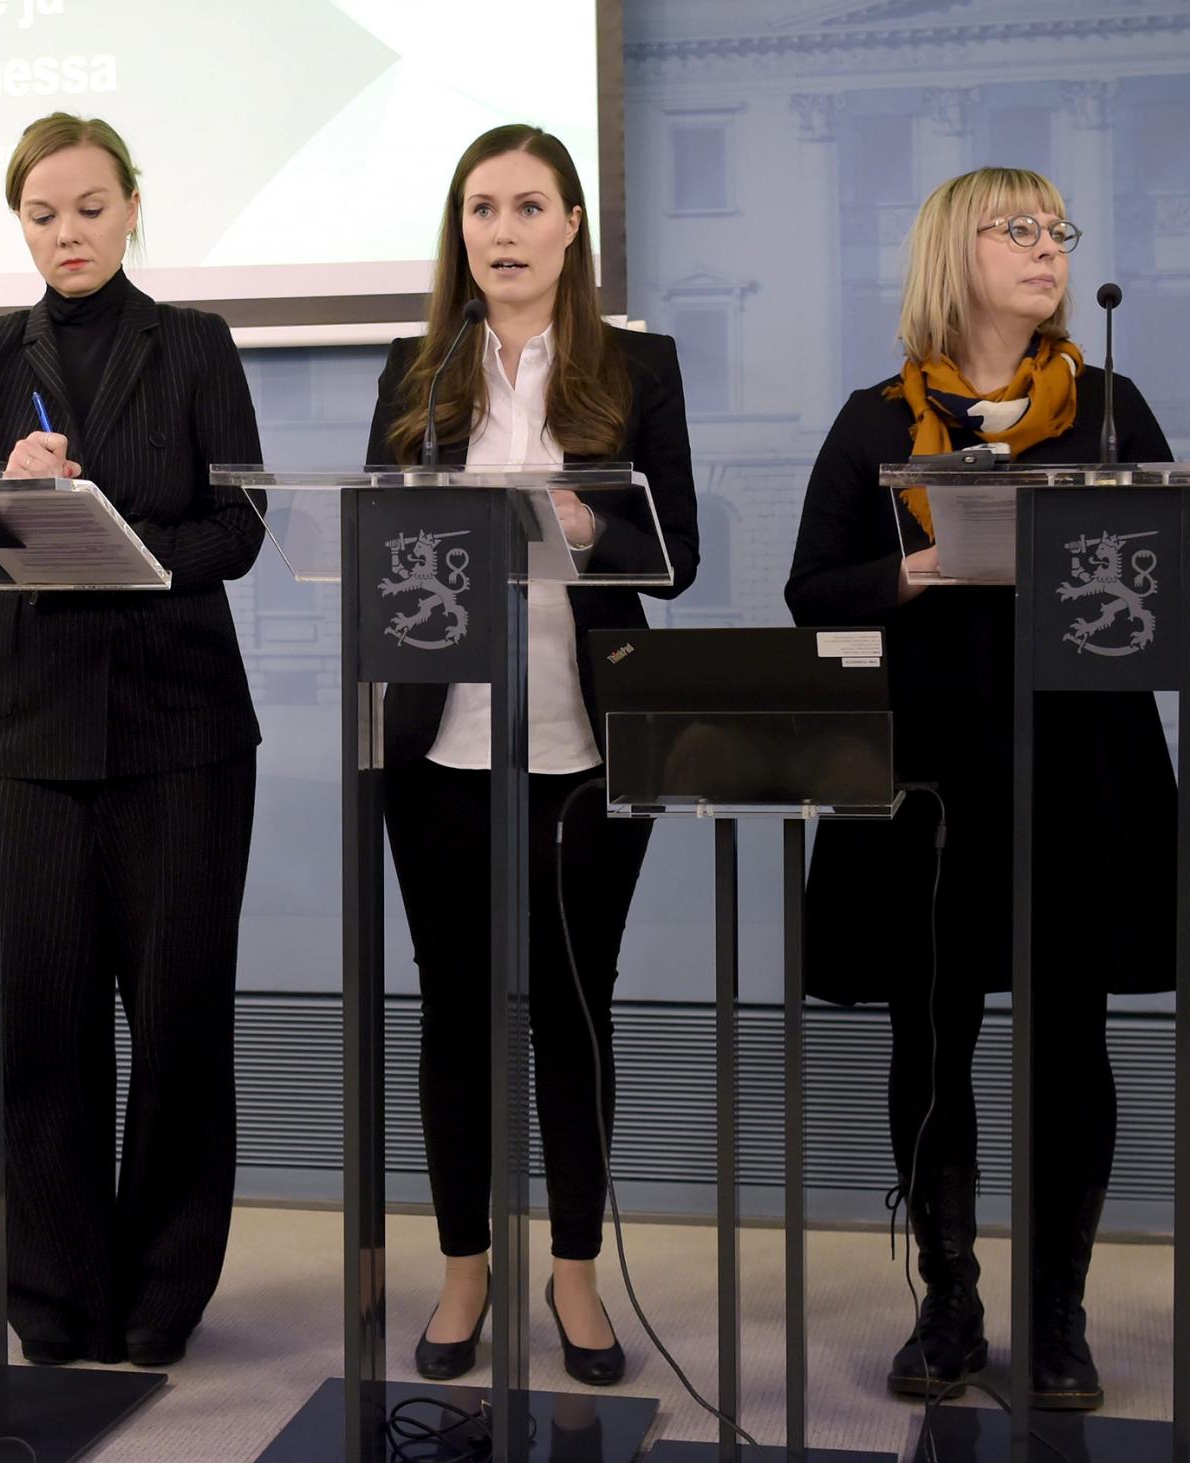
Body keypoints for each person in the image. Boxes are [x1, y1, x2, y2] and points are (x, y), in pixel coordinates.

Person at [786, 167, 1188, 1412]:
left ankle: (1055, 1318)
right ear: (948, 256)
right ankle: (948, 1298)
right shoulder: (874, 420)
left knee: (1070, 1038)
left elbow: (1172, 584)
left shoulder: (1109, 407)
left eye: (1055, 228)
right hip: (923, 769)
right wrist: (909, 575)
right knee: (933, 1031)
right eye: (1013, 229)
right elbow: (814, 590)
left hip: (1081, 762)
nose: (1044, 248)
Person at [0, 112, 265, 1369]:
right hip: (34, 732)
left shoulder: (193, 345)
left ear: (131, 206)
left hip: (181, 730)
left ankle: (159, 1296)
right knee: (44, 1031)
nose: (66, 232)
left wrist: (113, 544)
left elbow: (237, 526)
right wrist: (0, 481)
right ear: (17, 223)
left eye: (87, 206)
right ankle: (57, 1301)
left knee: (178, 1026)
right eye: (40, 213)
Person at [364, 123, 698, 1387]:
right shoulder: (415, 366)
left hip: (585, 735)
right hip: (435, 739)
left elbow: (680, 552)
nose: (500, 231)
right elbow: (373, 544)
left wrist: (584, 520)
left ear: (570, 228)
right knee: (453, 1006)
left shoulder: (635, 366)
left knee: (574, 1007)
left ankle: (570, 1271)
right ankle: (463, 1268)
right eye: (479, 209)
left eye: (526, 207)